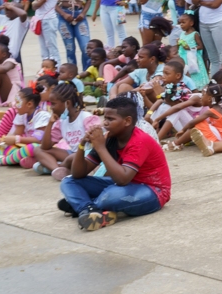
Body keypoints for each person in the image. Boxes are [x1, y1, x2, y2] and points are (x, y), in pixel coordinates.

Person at [58, 95, 171, 231]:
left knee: (110, 196)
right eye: (105, 118)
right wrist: (82, 145)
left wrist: (100, 148)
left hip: (153, 191)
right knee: (68, 182)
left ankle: (83, 204)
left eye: (110, 119)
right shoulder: (109, 138)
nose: (105, 123)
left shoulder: (139, 141)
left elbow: (122, 179)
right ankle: (89, 210)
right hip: (124, 185)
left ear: (127, 121)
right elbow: (78, 174)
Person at [56, 0, 92, 70]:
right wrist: (63, 14)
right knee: (70, 48)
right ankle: (72, 75)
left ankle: (86, 73)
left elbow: (89, 0)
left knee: (86, 48)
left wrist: (83, 13)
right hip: (64, 18)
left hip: (80, 16)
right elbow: (52, 3)